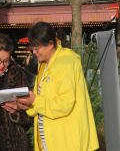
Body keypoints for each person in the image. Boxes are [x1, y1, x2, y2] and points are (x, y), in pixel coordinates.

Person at [16, 22, 99, 151]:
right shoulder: (43, 65)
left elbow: (64, 105)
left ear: (50, 44)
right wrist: (26, 105)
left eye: (37, 48)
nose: (34, 52)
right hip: (48, 140)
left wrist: (35, 101)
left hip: (66, 141)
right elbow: (42, 103)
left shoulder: (66, 64)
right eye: (32, 48)